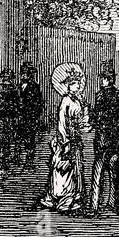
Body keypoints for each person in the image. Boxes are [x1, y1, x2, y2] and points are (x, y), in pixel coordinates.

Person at [38, 70, 88, 213]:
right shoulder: (65, 101)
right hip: (66, 139)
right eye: (74, 84)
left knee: (76, 167)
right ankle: (61, 199)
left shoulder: (78, 100)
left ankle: (74, 197)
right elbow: (62, 123)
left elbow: (81, 119)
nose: (77, 86)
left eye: (78, 84)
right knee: (63, 169)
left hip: (75, 138)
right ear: (68, 86)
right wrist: (64, 142)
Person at [90, 71, 119, 215]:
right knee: (114, 173)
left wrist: (91, 115)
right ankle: (112, 202)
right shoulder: (118, 95)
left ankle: (94, 205)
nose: (101, 81)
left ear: (108, 80)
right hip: (115, 141)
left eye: (103, 79)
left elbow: (96, 118)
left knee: (98, 173)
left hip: (103, 140)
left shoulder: (100, 95)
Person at [0, 68, 19, 171]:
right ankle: (3, 162)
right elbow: (16, 106)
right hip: (7, 119)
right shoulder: (13, 90)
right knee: (6, 141)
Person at [18, 63, 45, 169]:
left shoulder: (34, 86)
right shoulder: (19, 86)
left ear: (29, 75)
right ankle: (21, 158)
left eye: (25, 74)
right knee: (22, 138)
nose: (23, 76)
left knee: (30, 138)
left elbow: (38, 103)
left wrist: (35, 115)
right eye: (22, 74)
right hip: (21, 117)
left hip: (30, 117)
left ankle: (29, 160)